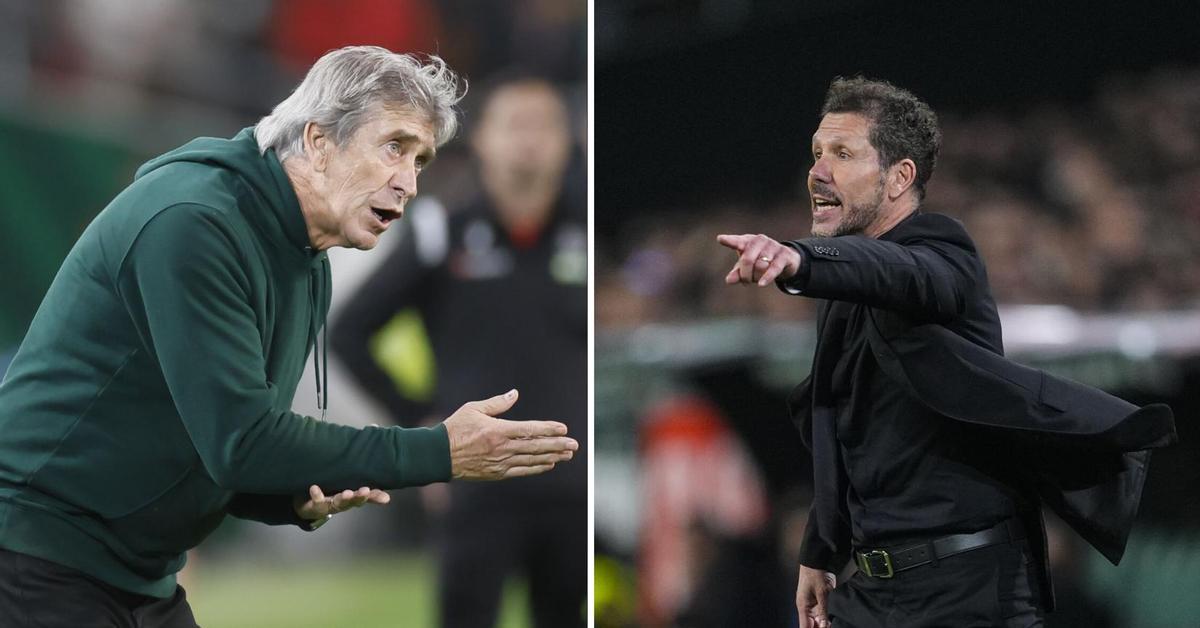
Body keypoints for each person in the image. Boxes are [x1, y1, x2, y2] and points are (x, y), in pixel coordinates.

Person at [0, 46, 578, 628]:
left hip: (132, 572)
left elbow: (221, 448)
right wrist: (439, 451)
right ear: (320, 141)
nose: (408, 183)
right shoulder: (192, 221)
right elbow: (243, 441)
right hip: (33, 555)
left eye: (421, 161)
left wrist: (289, 498)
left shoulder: (306, 256)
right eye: (394, 147)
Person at [717, 77, 1176, 628]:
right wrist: (819, 550)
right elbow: (844, 431)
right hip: (872, 592)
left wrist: (798, 258)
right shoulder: (842, 295)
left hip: (970, 590)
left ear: (899, 177)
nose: (817, 171)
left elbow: (898, 272)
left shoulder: (942, 250)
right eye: (817, 154)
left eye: (842, 153)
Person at [331, 73, 586, 628]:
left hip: (574, 488)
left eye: (543, 125)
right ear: (483, 141)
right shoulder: (438, 232)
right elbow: (349, 332)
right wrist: (422, 429)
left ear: (567, 142)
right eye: (514, 124)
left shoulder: (588, 231)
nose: (530, 139)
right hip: (478, 483)